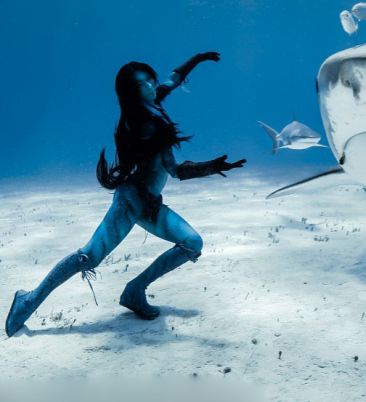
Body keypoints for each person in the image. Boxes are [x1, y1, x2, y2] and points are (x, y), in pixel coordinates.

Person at [5, 51, 246, 337]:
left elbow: (172, 78)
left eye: (150, 80)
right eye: (144, 83)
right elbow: (177, 171)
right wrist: (211, 167)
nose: (153, 85)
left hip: (150, 205)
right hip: (131, 203)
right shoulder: (146, 125)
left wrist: (199, 58)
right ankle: (27, 300)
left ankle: (134, 291)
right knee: (89, 257)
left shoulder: (151, 103)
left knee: (192, 243)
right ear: (132, 92)